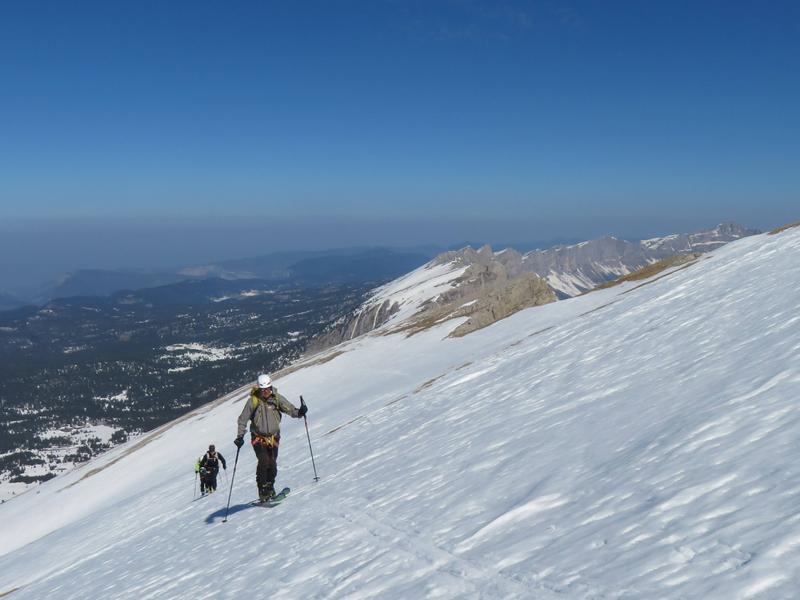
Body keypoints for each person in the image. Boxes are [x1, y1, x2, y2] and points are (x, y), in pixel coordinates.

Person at [234, 373, 307, 502]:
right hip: (258, 437)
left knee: (272, 463)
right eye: (263, 390)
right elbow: (243, 419)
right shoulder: (253, 401)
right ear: (259, 389)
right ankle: (262, 490)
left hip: (274, 437)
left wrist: (300, 412)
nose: (266, 392)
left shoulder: (277, 398)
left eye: (268, 388)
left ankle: (270, 486)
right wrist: (240, 436)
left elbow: (290, 409)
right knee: (264, 461)